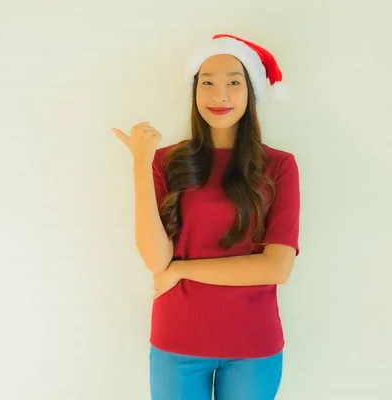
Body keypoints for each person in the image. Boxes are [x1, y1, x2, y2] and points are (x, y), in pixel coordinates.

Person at [112, 33, 300, 400]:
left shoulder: (279, 166)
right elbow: (156, 259)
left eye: (233, 83)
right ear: (194, 91)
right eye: (207, 83)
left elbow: (277, 268)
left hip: (254, 344)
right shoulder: (165, 160)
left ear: (251, 92)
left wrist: (182, 270)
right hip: (176, 339)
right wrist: (140, 162)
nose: (220, 96)